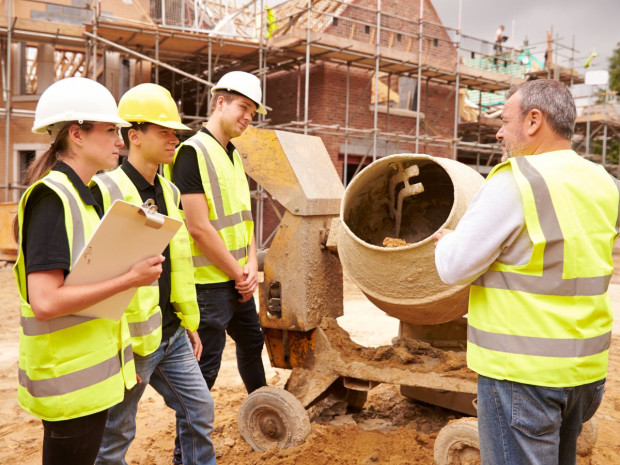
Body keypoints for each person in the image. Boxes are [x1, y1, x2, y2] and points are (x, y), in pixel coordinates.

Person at [433, 79, 619, 465]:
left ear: (534, 120)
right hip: (584, 373)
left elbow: (453, 267)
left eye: (504, 120)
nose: (499, 132)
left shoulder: (516, 181)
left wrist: (448, 241)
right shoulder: (604, 182)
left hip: (522, 374)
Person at [14, 77, 164, 465]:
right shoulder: (51, 198)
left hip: (89, 381)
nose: (120, 139)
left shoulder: (89, 195)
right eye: (111, 129)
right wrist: (130, 279)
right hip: (68, 385)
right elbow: (46, 302)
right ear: (77, 134)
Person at [92, 83, 216, 465]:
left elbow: (177, 262)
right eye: (164, 131)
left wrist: (187, 319)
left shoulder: (170, 191)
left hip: (171, 331)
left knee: (200, 411)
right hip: (130, 338)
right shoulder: (104, 189)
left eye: (175, 132)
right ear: (135, 135)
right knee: (116, 433)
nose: (173, 139)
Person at [165, 71, 267, 395]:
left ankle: (263, 412)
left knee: (252, 342)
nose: (248, 117)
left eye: (253, 111)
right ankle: (187, 447)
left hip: (237, 280)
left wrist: (251, 266)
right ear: (220, 102)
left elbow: (244, 220)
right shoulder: (190, 153)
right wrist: (240, 273)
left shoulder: (234, 155)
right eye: (243, 107)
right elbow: (198, 227)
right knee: (205, 368)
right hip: (208, 285)